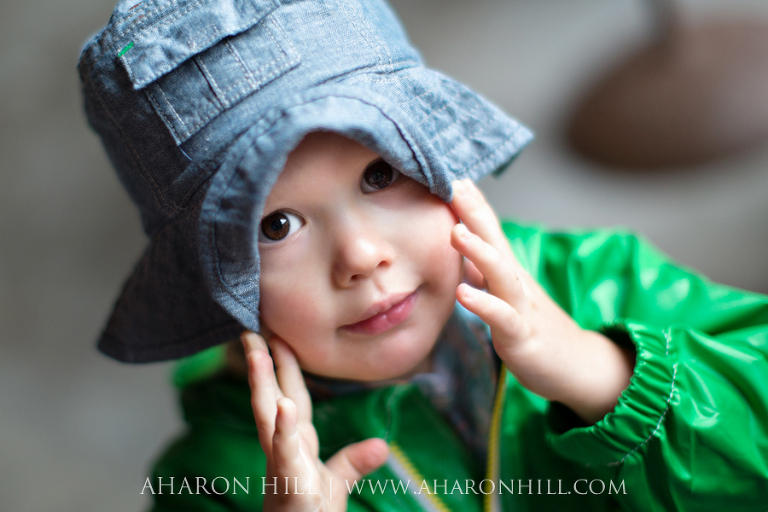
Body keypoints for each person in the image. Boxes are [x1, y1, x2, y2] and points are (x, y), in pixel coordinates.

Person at [78, 0, 768, 510]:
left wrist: (600, 371)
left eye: (381, 175)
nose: (360, 256)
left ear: (439, 160)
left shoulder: (598, 282)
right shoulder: (212, 479)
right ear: (213, 279)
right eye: (278, 224)